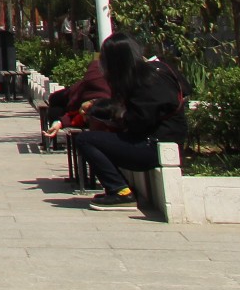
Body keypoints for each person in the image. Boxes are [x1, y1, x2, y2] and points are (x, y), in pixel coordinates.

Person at [71, 34, 187, 208]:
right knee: (98, 138)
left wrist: (115, 116)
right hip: (169, 142)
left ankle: (120, 191)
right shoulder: (159, 69)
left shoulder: (146, 80)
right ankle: (120, 187)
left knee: (85, 140)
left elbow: (139, 121)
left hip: (153, 147)